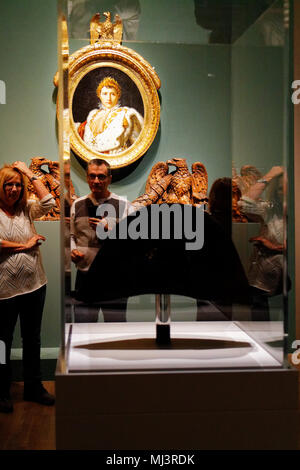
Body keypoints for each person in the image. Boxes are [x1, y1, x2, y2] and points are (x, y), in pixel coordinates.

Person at [0, 161, 56, 413]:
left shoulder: (26, 209)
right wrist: (25, 245)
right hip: (5, 290)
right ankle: (1, 390)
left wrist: (29, 174)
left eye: (17, 185)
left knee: (32, 338)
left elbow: (50, 203)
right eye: (7, 185)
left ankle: (34, 387)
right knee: (2, 341)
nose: (13, 189)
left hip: (34, 285)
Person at [70, 158, 134, 322]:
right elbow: (71, 235)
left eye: (101, 177)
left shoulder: (124, 205)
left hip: (115, 277)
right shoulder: (77, 204)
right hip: (85, 275)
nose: (96, 181)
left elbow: (133, 242)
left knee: (116, 327)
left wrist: (110, 230)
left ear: (109, 179)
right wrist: (72, 251)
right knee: (83, 326)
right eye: (92, 176)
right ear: (87, 177)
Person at [238, 166, 285, 320]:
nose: (284, 192)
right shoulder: (270, 210)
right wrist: (270, 175)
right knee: (262, 327)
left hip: (289, 275)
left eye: (287, 188)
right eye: (279, 189)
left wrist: (278, 247)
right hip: (264, 276)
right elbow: (244, 204)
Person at [77, 76, 144, 154]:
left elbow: (138, 144)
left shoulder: (126, 114)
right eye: (105, 94)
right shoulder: (93, 115)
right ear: (99, 95)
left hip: (116, 158)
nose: (108, 98)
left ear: (118, 95)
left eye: (112, 94)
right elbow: (81, 132)